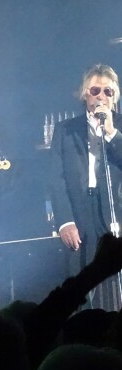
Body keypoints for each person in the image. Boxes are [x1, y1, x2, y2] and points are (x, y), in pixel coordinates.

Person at [50, 63, 122, 309]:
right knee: (80, 284)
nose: (101, 96)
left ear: (115, 97)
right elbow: (55, 179)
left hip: (116, 210)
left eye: (108, 91)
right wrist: (64, 221)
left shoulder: (120, 127)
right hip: (80, 212)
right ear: (84, 94)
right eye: (95, 90)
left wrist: (112, 132)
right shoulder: (65, 130)